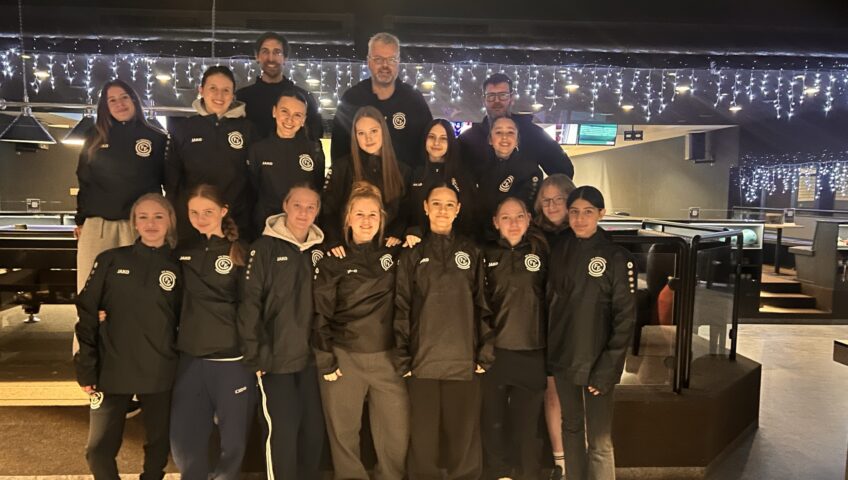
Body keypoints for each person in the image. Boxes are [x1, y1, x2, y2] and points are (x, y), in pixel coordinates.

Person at [74, 193, 180, 480]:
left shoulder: (179, 266)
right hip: (112, 369)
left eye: (158, 216)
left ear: (170, 221)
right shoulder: (110, 260)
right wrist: (86, 367)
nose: (151, 223)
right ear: (134, 222)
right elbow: (87, 313)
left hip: (160, 370)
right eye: (143, 217)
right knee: (97, 450)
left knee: (158, 448)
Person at [394, 182, 494, 480]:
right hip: (422, 362)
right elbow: (401, 306)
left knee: (463, 438)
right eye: (436, 203)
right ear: (425, 207)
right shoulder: (412, 253)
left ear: (458, 210)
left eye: (449, 204)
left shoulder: (471, 252)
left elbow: (483, 305)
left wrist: (485, 351)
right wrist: (402, 357)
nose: (442, 210)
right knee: (423, 439)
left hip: (464, 360)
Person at [313, 182, 410, 480]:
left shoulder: (395, 252)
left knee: (396, 433)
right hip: (344, 358)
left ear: (382, 219)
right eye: (359, 214)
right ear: (348, 218)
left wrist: (413, 232)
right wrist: (325, 359)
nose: (366, 221)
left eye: (372, 215)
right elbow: (320, 312)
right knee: (343, 434)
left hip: (388, 358)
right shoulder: (333, 259)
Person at [547, 186, 636, 480]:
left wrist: (608, 367)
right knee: (571, 427)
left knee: (599, 439)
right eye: (574, 212)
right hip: (564, 356)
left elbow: (625, 318)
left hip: (598, 361)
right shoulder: (560, 250)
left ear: (601, 213)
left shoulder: (616, 257)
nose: (580, 219)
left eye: (587, 212)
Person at [238, 185, 326, 480]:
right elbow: (249, 304)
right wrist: (255, 355)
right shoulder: (264, 248)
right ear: (285, 206)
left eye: (311, 207)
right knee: (282, 434)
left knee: (313, 432)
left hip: (311, 360)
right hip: (275, 360)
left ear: (318, 211)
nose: (303, 212)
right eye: (297, 205)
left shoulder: (320, 250)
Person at [170, 184, 255, 480]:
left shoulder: (241, 251)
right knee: (185, 440)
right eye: (194, 212)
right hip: (191, 358)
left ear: (223, 211)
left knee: (233, 441)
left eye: (208, 211)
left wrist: (253, 351)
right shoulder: (182, 251)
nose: (201, 218)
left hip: (231, 360)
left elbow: (251, 306)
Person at [74, 79, 166, 292]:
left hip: (138, 226)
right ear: (105, 107)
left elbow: (166, 183)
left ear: (134, 100)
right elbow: (84, 180)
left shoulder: (156, 138)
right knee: (92, 289)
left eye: (124, 97)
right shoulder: (94, 137)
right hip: (98, 226)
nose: (119, 104)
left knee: (137, 290)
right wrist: (80, 220)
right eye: (112, 100)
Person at [481, 197, 549, 480]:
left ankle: (528, 474)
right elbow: (478, 305)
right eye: (505, 217)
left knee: (528, 427)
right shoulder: (484, 255)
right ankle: (498, 474)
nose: (513, 223)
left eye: (519, 216)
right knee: (493, 422)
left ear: (528, 219)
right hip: (495, 353)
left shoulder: (542, 254)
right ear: (495, 222)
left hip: (532, 352)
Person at [166, 65, 254, 244]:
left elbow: (253, 178)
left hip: (234, 222)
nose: (219, 95)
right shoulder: (184, 129)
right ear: (201, 90)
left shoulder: (248, 129)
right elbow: (172, 179)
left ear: (233, 94)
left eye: (226, 90)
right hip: (191, 223)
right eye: (213, 88)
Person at [330, 32, 432, 168]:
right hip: (359, 179)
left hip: (404, 180)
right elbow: (338, 147)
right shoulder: (352, 98)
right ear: (369, 61)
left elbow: (426, 147)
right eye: (378, 59)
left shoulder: (414, 100)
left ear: (398, 62)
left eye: (391, 59)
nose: (385, 65)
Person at [533, 173, 576, 480]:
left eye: (558, 199)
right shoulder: (533, 236)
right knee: (552, 393)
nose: (551, 206)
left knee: (576, 394)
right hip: (544, 322)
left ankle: (579, 456)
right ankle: (561, 462)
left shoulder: (583, 234)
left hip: (576, 325)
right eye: (545, 200)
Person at [321, 105, 411, 253]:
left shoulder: (403, 171)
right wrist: (333, 239)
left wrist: (396, 233)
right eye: (361, 133)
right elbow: (328, 209)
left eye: (374, 131)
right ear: (355, 136)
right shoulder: (342, 167)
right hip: (347, 250)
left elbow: (405, 211)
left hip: (387, 250)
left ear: (384, 131)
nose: (368, 138)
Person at [458, 73, 574, 182]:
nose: (497, 101)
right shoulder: (469, 139)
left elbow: (564, 172)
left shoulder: (532, 134)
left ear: (511, 98)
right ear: (484, 100)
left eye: (503, 95)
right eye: (491, 96)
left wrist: (539, 191)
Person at [249, 90, 325, 233]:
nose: (290, 119)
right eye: (285, 111)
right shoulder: (258, 149)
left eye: (297, 115)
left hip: (302, 226)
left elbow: (317, 187)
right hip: (267, 226)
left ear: (303, 120)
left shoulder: (313, 149)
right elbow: (253, 189)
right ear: (274, 112)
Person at [236, 32, 323, 141]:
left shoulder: (304, 98)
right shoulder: (242, 98)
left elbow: (314, 138)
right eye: (265, 51)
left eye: (277, 52)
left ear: (285, 58)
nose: (271, 58)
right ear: (257, 56)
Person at [406, 118, 477, 241]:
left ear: (451, 143)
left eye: (443, 138)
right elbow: (406, 210)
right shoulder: (413, 173)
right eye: (431, 137)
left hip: (453, 244)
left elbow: (468, 215)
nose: (436, 143)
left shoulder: (462, 176)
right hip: (417, 242)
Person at [477, 116, 543, 241]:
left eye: (510, 132)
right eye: (498, 132)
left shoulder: (530, 170)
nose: (504, 137)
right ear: (490, 139)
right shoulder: (478, 167)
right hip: (483, 237)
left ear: (517, 140)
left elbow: (529, 209)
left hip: (519, 238)